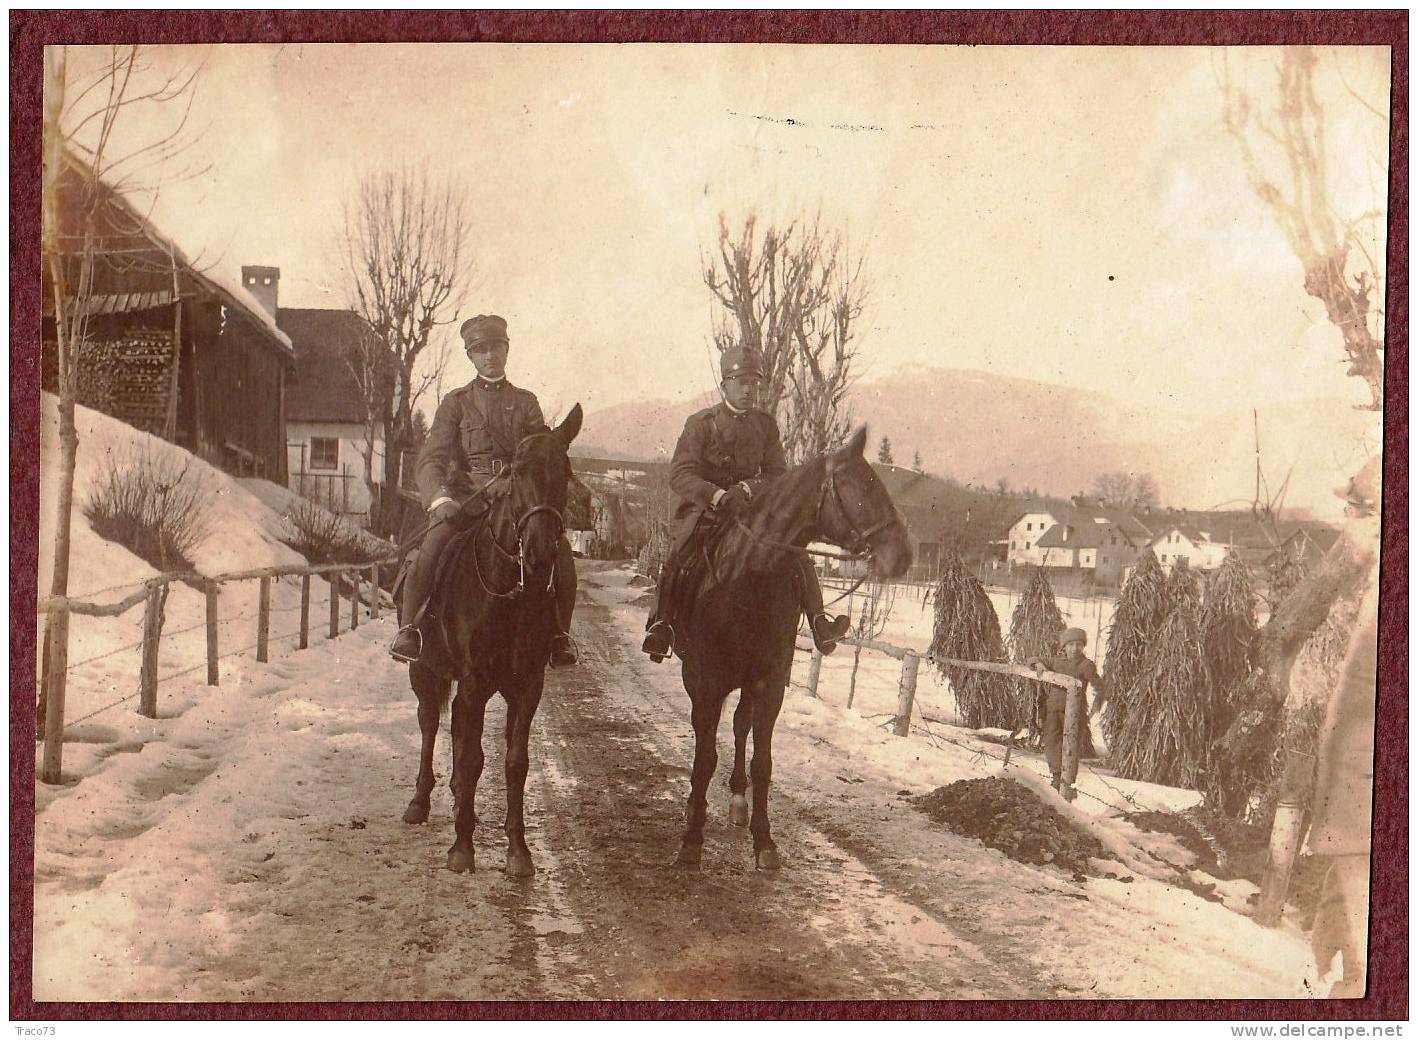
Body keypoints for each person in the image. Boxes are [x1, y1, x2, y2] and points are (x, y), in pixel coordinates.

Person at [641, 344, 851, 662]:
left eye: (754, 382)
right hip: (705, 510)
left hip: (750, 510)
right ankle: (663, 623)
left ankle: (819, 621)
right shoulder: (700, 423)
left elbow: (776, 473)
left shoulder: (764, 425)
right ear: (724, 384)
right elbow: (681, 474)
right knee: (681, 551)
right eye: (741, 381)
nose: (748, 389)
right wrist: (716, 495)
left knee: (793, 548)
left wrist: (747, 489)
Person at [390, 314, 577, 667]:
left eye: (496, 347)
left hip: (513, 501)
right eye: (480, 350)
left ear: (506, 350)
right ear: (471, 357)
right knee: (431, 548)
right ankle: (410, 629)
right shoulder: (456, 403)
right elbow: (431, 459)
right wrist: (439, 497)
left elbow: (537, 455)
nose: (489, 355)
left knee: (561, 556)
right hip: (466, 501)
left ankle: (559, 636)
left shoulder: (525, 403)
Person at [1029, 627, 1108, 793]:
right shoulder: (1057, 662)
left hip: (1073, 713)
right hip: (1052, 711)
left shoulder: (1085, 665)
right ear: (1064, 646)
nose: (1074, 648)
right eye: (1071, 644)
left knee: (1070, 745)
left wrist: (1096, 705)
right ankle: (1056, 777)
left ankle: (1067, 783)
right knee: (1051, 742)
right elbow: (1033, 659)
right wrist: (1038, 664)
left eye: (1079, 644)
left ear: (1083, 647)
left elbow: (1099, 686)